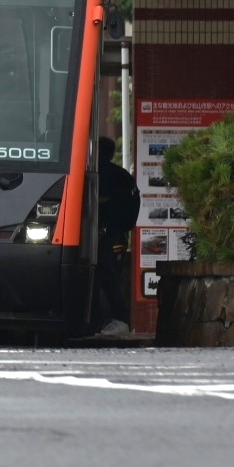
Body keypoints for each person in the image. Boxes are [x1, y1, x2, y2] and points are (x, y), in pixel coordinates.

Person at [94, 136, 140, 334]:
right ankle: (116, 320)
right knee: (112, 278)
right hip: (119, 234)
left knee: (105, 278)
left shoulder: (101, 173)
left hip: (106, 234)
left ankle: (113, 320)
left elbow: (100, 199)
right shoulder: (123, 176)